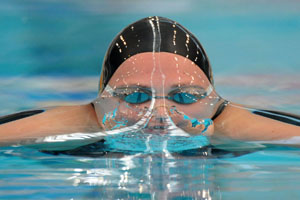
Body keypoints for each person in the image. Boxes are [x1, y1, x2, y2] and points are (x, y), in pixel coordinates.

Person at [0, 16, 300, 150]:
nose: (159, 114)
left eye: (183, 97)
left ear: (214, 101)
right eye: (133, 97)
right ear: (101, 100)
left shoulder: (228, 124)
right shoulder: (84, 122)